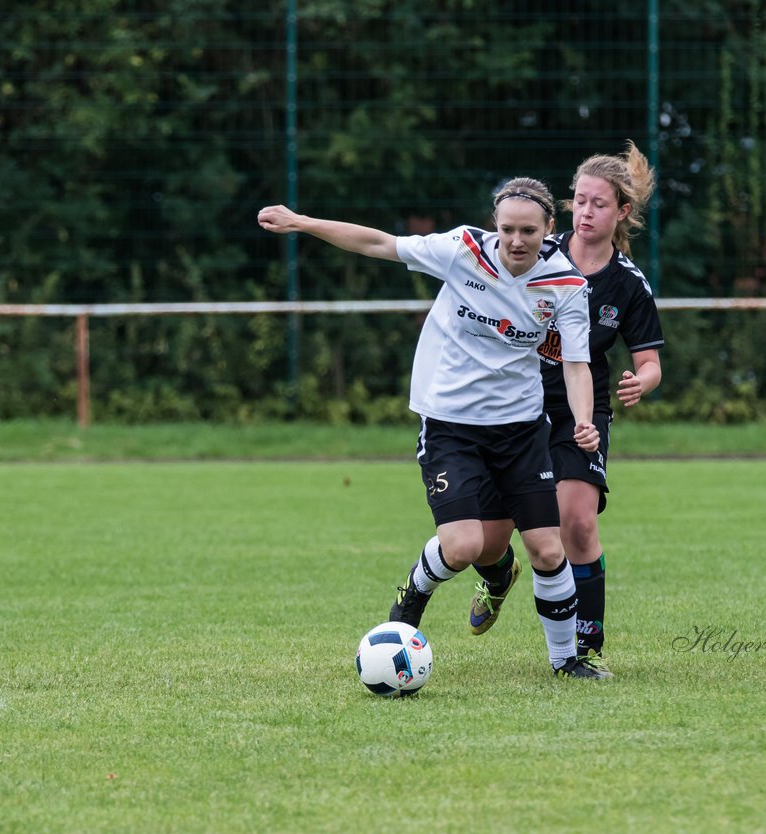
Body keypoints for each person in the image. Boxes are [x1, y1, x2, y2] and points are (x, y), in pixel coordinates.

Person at [257, 178, 610, 678]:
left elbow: (576, 364)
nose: (515, 240)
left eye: (528, 230)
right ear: (495, 225)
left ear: (550, 228)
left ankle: (565, 662)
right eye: (507, 228)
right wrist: (301, 222)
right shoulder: (462, 250)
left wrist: (580, 422)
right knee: (463, 547)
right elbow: (378, 242)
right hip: (451, 424)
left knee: (547, 549)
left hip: (521, 430)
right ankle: (412, 598)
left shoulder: (567, 286)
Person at [464, 142, 664, 678]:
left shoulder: (627, 284)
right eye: (578, 201)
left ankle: (584, 647)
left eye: (599, 203)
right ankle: (498, 573)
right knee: (486, 539)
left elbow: (649, 362)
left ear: (621, 212)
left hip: (582, 410)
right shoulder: (536, 250)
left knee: (576, 524)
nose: (585, 211)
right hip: (514, 407)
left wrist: (639, 382)